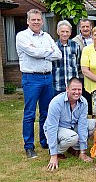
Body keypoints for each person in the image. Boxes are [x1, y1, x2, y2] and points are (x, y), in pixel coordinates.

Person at [16, 9, 62, 158]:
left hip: (47, 78)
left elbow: (58, 54)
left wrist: (41, 51)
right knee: (30, 113)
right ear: (28, 21)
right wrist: (47, 51)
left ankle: (45, 141)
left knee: (46, 112)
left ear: (42, 21)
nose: (36, 22)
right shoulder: (22, 36)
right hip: (31, 78)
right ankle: (29, 146)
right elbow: (32, 53)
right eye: (33, 20)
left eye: (38, 20)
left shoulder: (47, 36)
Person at [44, 78, 96, 170]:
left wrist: (83, 152)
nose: (77, 92)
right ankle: (58, 151)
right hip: (57, 129)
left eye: (79, 89)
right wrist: (53, 155)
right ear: (67, 89)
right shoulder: (56, 102)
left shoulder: (83, 102)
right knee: (72, 137)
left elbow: (82, 125)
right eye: (74, 89)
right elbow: (51, 128)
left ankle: (75, 148)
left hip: (72, 128)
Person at [52, 20, 80, 96]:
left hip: (73, 86)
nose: (65, 34)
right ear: (58, 32)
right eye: (62, 31)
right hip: (58, 85)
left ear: (70, 32)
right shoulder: (53, 46)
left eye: (67, 31)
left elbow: (77, 63)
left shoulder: (75, 45)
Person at [72, 18, 93, 111]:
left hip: (95, 75)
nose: (85, 29)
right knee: (84, 101)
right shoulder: (75, 41)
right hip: (82, 76)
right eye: (83, 27)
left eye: (87, 26)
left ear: (91, 27)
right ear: (80, 28)